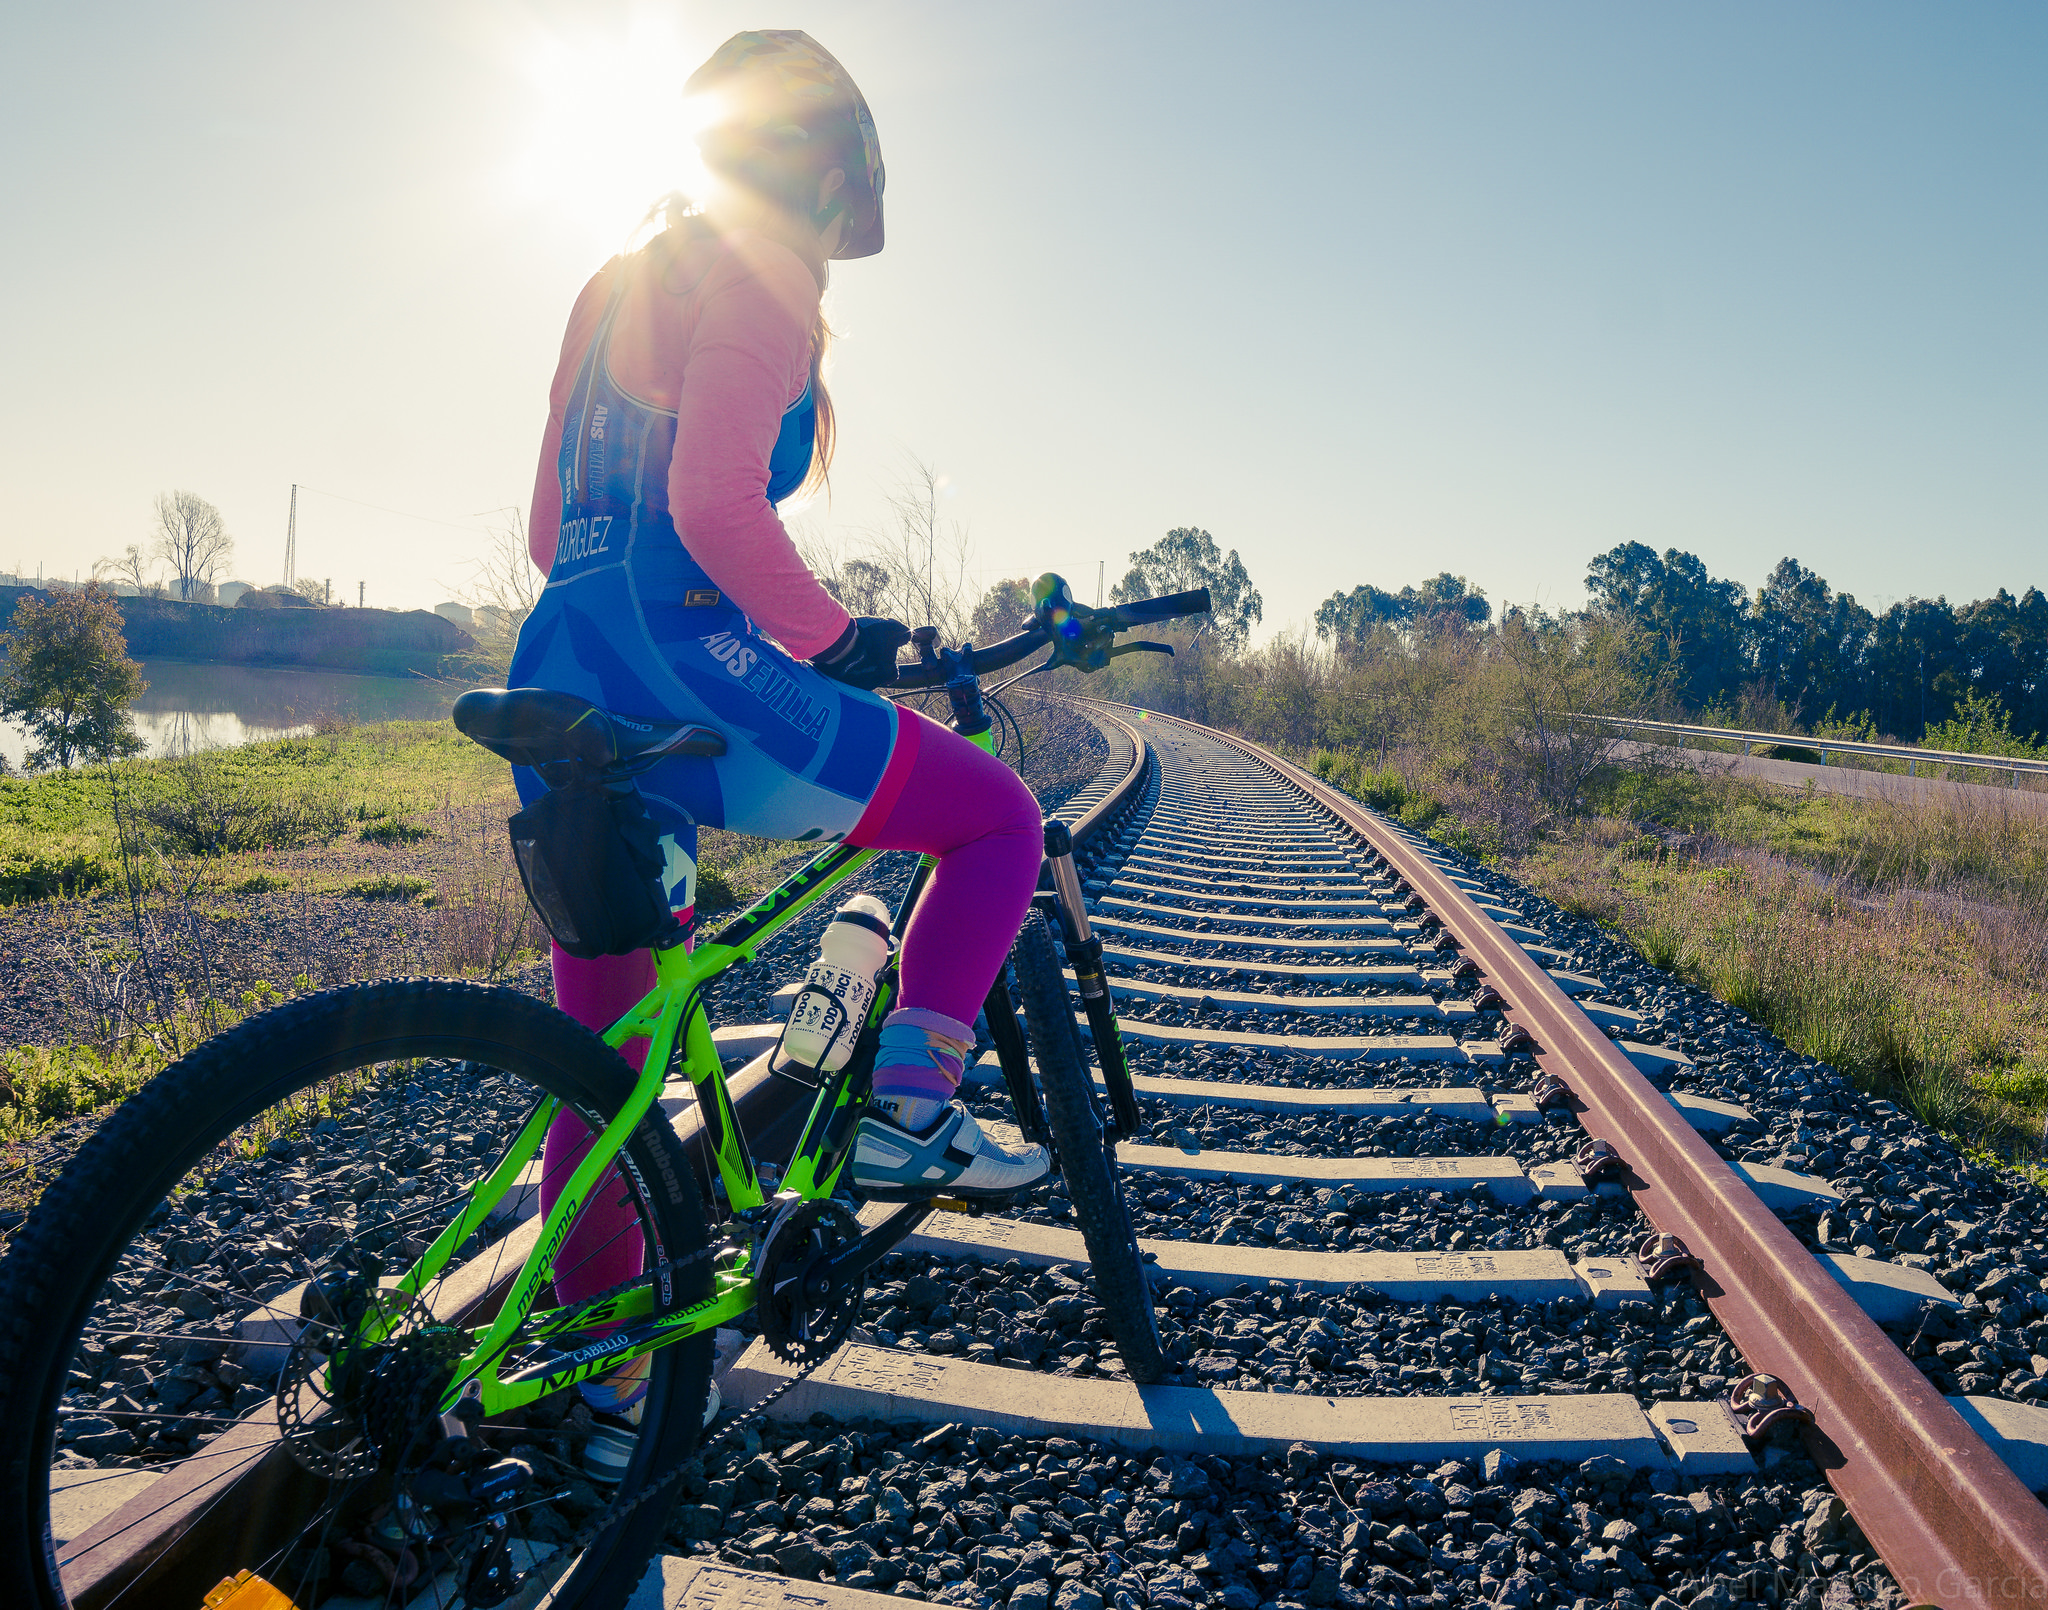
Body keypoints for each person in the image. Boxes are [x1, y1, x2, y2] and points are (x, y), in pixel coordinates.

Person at [501, 30, 1049, 1472]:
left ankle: (610, 1388)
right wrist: (830, 638)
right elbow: (717, 502)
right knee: (993, 821)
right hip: (694, 661)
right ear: (821, 172)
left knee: (608, 1059)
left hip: (564, 663)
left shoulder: (614, 280)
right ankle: (913, 1105)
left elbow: (554, 532)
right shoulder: (765, 278)